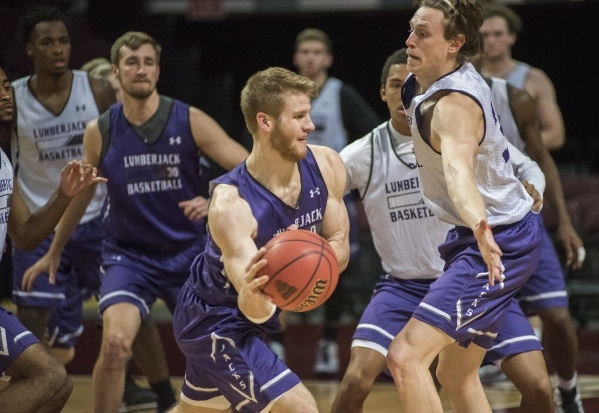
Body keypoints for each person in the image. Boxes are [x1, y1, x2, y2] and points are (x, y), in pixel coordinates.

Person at [24, 31, 249, 413]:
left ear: (158, 71)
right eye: (132, 62)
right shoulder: (100, 129)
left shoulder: (190, 119)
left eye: (148, 62)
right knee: (115, 346)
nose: (141, 69)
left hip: (188, 254)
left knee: (219, 350)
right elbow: (82, 194)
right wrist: (55, 250)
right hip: (128, 258)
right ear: (116, 72)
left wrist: (213, 196)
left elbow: (247, 168)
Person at [332, 48, 553, 413]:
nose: (405, 93)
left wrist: (534, 187)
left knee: (538, 387)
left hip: (468, 275)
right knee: (359, 379)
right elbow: (322, 190)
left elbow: (528, 165)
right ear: (383, 92)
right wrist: (333, 238)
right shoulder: (363, 153)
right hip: (403, 286)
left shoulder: (457, 125)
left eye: (412, 85)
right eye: (396, 85)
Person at [387, 1, 543, 412]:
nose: (409, 40)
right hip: (484, 232)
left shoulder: (454, 105)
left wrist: (480, 227)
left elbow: (459, 174)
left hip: (498, 237)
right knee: (455, 374)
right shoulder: (422, 81)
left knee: (405, 357)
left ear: (454, 44)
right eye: (411, 29)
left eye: (423, 34)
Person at [170, 66, 350, 413]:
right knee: (300, 409)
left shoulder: (327, 165)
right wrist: (278, 288)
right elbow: (255, 307)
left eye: (309, 114)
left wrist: (312, 265)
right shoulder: (231, 204)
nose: (310, 125)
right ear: (265, 122)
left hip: (250, 321)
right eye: (298, 117)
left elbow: (339, 242)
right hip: (216, 321)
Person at [11, 6, 159, 412]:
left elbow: (126, 141)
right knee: (32, 316)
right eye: (47, 42)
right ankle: (29, 395)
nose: (58, 49)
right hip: (39, 220)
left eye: (63, 40)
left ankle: (149, 391)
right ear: (30, 49)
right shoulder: (14, 98)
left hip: (94, 218)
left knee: (130, 305)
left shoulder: (94, 89)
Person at [472, 51, 586, 413]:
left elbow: (539, 158)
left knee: (558, 317)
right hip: (473, 228)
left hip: (521, 221)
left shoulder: (513, 97)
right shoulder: (435, 103)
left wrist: (564, 221)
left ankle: (568, 390)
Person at [0, 64, 103, 413]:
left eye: (6, 86)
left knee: (55, 382)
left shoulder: (3, 162)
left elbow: (26, 235)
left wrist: (64, 194)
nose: (5, 95)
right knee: (49, 377)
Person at [290, 28, 381, 375]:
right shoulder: (284, 96)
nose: (311, 57)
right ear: (296, 58)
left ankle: (327, 344)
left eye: (317, 52)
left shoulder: (342, 94)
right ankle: (276, 341)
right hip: (289, 196)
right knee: (280, 263)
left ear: (327, 59)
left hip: (331, 197)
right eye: (305, 51)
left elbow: (373, 135)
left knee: (333, 271)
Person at [480, 3, 565, 151]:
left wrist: (508, 149)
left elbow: (555, 135)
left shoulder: (534, 79)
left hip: (519, 162)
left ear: (511, 37)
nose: (491, 41)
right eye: (484, 35)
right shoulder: (464, 77)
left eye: (498, 34)